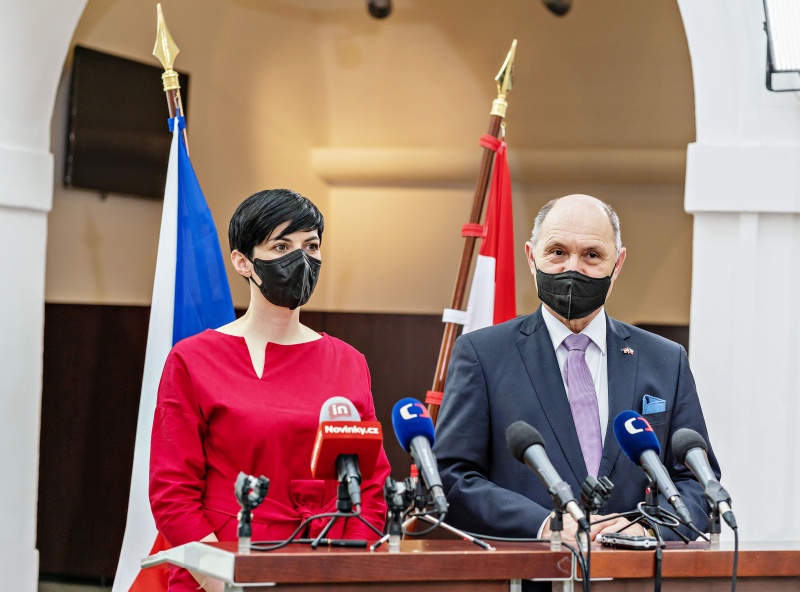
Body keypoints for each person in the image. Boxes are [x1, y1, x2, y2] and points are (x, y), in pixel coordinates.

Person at [433, 194, 720, 547]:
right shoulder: (482, 355)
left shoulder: (665, 359)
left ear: (618, 264)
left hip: (636, 577)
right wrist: (546, 525)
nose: (573, 268)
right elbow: (451, 477)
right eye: (557, 252)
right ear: (530, 256)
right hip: (529, 574)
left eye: (592, 255)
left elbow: (697, 483)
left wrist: (647, 528)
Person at [149, 189, 391, 592]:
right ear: (243, 261)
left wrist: (343, 576)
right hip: (222, 569)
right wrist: (220, 579)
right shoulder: (193, 359)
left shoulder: (349, 362)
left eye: (311, 246)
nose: (301, 259)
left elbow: (371, 485)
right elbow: (173, 493)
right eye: (282, 245)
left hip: (324, 568)